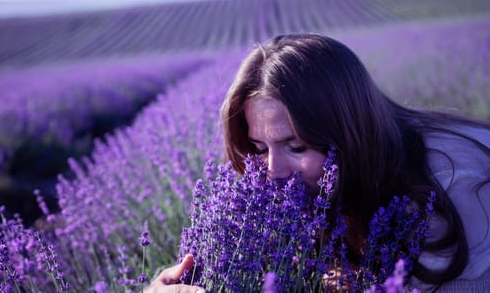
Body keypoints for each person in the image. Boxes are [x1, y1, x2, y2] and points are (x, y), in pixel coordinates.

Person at [144, 34, 490, 292]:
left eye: (296, 146)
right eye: (259, 149)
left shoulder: (454, 191)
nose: (273, 173)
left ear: (350, 135)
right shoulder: (306, 188)